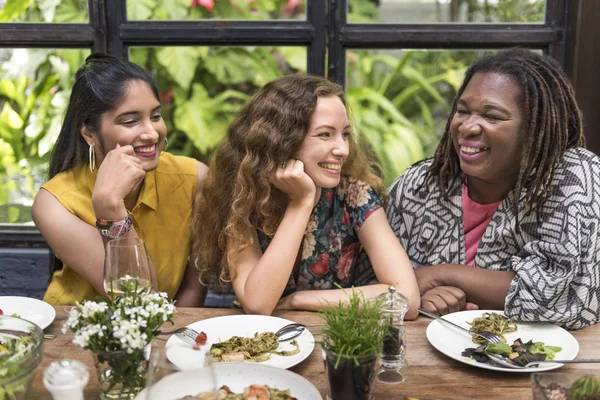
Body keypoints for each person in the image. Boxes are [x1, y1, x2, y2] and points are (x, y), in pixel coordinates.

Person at [386, 48, 600, 329]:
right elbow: (382, 286)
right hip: (426, 356)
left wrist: (441, 275)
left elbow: (564, 296)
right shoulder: (419, 184)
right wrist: (418, 297)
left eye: (493, 116)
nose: (468, 127)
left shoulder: (571, 177)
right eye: (462, 111)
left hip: (544, 363)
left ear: (534, 129)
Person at [192, 74, 420, 317]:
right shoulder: (243, 197)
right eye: (324, 134)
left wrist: (299, 300)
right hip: (261, 342)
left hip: (331, 338)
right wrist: (301, 202)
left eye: (344, 134)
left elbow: (406, 299)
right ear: (281, 141)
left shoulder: (355, 196)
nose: (343, 149)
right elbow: (257, 304)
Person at [32, 53, 208, 306]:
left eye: (156, 116)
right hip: (73, 333)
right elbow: (136, 301)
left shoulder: (194, 179)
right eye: (130, 121)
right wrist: (110, 207)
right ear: (90, 134)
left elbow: (194, 287)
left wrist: (175, 339)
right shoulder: (54, 203)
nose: (151, 133)